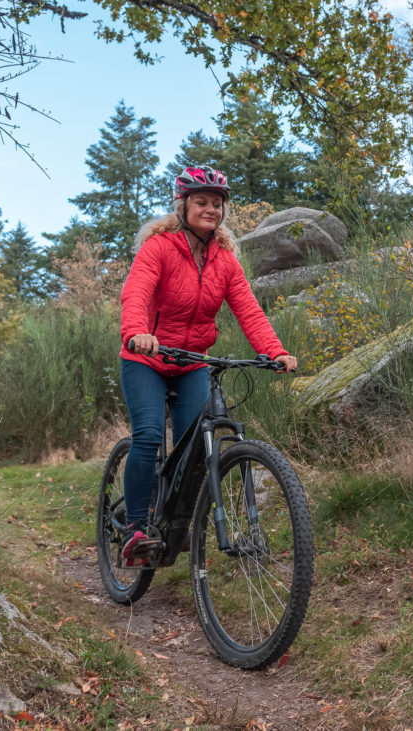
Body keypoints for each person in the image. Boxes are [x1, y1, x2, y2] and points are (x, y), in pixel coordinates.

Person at [118, 164, 297, 565]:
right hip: (146, 357)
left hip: (193, 361)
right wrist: (137, 332)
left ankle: (178, 525)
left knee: (196, 448)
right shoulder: (159, 247)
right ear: (182, 205)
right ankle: (135, 528)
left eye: (217, 204)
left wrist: (274, 350)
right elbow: (136, 293)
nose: (211, 209)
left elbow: (249, 310)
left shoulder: (225, 260)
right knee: (148, 435)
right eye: (202, 202)